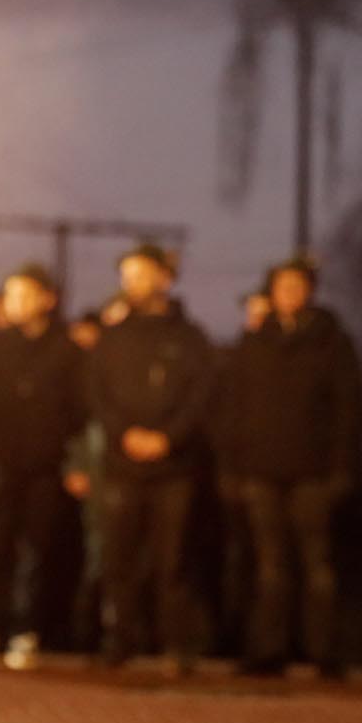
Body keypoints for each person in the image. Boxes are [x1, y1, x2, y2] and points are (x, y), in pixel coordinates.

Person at [217, 257, 362, 676]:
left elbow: (347, 409)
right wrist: (231, 467)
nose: (290, 294)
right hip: (260, 472)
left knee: (318, 565)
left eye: (298, 286)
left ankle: (323, 651)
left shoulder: (332, 343)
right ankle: (269, 649)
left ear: (311, 291)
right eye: (283, 286)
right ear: (271, 292)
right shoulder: (253, 343)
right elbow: (231, 408)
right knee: (269, 567)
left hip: (313, 473)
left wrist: (341, 467)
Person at [88, 243, 215, 673]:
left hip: (173, 468)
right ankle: (120, 641)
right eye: (127, 276)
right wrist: (125, 434)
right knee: (118, 558)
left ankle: (177, 646)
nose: (133, 285)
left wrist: (168, 437)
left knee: (173, 560)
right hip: (121, 466)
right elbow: (97, 394)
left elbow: (201, 397)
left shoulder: (190, 338)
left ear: (164, 278)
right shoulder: (113, 337)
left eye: (141, 275)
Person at [0, 263, 87, 670]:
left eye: (27, 294)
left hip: (45, 463)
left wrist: (61, 446)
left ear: (47, 299)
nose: (18, 303)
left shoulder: (66, 349)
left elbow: (79, 406)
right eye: (12, 295)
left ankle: (26, 631)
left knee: (36, 548)